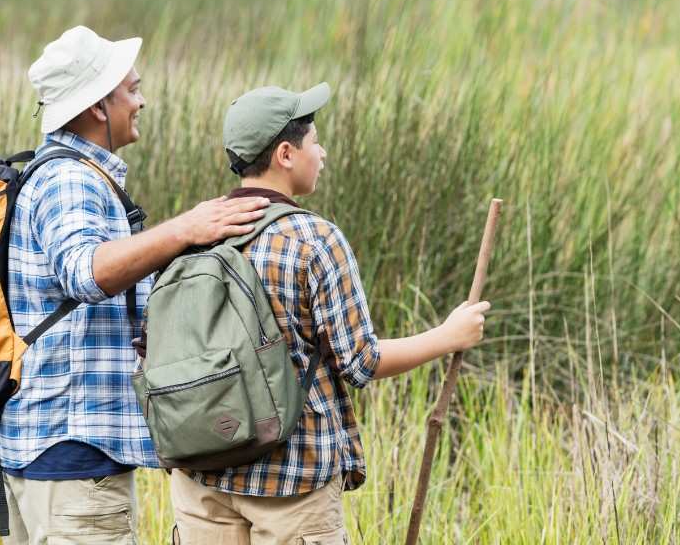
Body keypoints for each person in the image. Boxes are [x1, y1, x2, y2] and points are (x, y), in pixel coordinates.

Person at [169, 82, 491, 544]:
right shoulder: (313, 239)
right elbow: (361, 362)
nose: (322, 154)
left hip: (199, 474)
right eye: (315, 143)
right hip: (291, 479)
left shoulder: (193, 233)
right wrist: (448, 335)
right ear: (285, 153)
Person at [0, 25, 270, 544]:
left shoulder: (65, 174)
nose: (141, 101)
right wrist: (186, 228)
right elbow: (85, 271)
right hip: (74, 457)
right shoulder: (70, 179)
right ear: (99, 106)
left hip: (54, 454)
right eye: (132, 89)